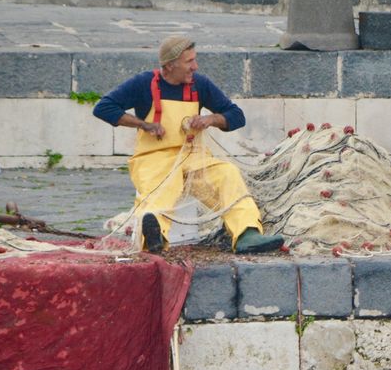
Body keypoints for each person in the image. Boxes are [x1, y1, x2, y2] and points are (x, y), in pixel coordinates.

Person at [93, 36, 283, 254]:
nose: (195, 66)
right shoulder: (144, 83)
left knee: (227, 174)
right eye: (189, 61)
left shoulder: (199, 84)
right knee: (162, 187)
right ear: (170, 65)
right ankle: (153, 238)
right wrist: (144, 125)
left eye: (195, 60)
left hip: (194, 156)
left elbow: (236, 116)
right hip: (154, 157)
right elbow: (104, 108)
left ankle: (247, 233)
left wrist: (210, 120)